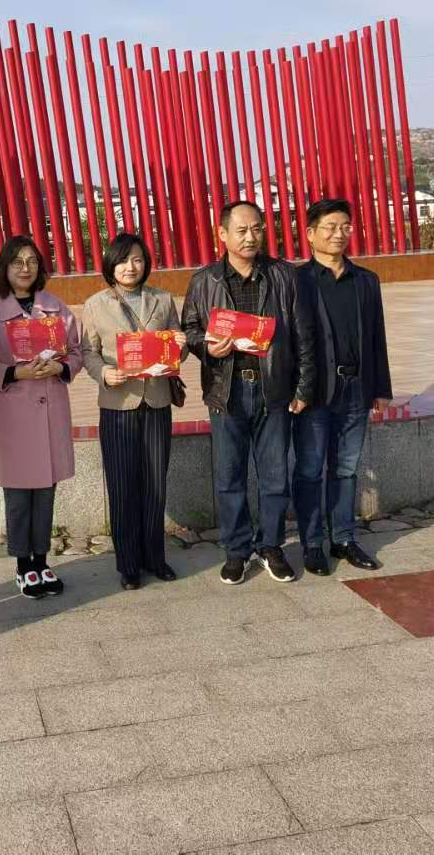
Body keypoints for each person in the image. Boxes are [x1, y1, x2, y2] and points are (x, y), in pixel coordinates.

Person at [181, 201, 313, 585]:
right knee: (229, 477)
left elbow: (303, 334)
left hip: (274, 390)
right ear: (222, 234)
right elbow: (190, 329)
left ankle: (271, 546)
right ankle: (236, 551)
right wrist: (208, 346)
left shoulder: (284, 275)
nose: (250, 237)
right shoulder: (205, 281)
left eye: (256, 228)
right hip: (227, 391)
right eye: (241, 230)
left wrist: (303, 387)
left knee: (275, 476)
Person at [0, 236, 85, 598]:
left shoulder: (55, 307)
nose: (25, 268)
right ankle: (23, 565)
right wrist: (14, 373)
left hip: (49, 410)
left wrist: (61, 367)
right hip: (14, 414)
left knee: (46, 491)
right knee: (19, 494)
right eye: (17, 261)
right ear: (4, 267)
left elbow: (76, 351)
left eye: (32, 261)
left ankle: (42, 559)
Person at [292, 198, 393, 576]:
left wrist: (380, 387)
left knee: (346, 469)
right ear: (310, 234)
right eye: (330, 227)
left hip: (356, 388)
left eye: (345, 226)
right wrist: (296, 390)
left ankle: (344, 539)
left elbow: (377, 337)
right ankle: (312, 542)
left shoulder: (366, 280)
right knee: (310, 469)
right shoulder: (297, 281)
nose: (339, 234)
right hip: (315, 392)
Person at [81, 232, 182, 591]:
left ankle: (155, 557)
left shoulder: (163, 299)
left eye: (137, 259)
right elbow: (88, 352)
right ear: (111, 264)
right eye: (123, 260)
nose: (130, 266)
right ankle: (128, 564)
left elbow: (177, 344)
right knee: (122, 485)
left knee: (155, 482)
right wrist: (103, 373)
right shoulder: (95, 304)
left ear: (146, 263)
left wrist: (180, 346)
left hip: (156, 401)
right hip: (118, 404)